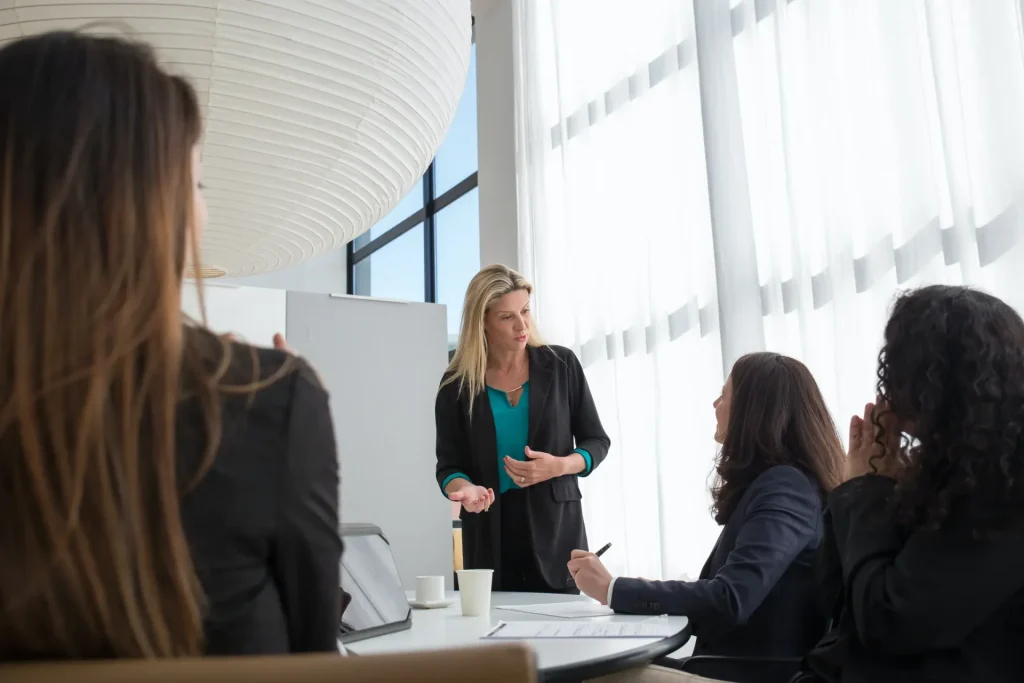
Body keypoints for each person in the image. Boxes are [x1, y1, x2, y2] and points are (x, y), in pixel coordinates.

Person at [0, 32, 342, 659]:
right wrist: (271, 407)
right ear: (144, 213)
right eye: (198, 186)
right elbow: (314, 658)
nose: (203, 214)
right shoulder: (272, 402)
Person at [571, 352, 845, 676]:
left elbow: (730, 599)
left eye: (725, 395)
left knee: (585, 672)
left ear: (754, 411)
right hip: (727, 666)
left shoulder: (786, 487)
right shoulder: (784, 483)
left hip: (746, 675)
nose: (716, 404)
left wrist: (612, 589)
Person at [801, 286, 1024, 683]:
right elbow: (836, 602)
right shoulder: (947, 470)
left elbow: (890, 619)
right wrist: (858, 489)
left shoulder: (1004, 484)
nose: (889, 389)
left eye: (902, 367)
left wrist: (865, 491)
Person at [435, 264, 610, 592]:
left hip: (558, 528)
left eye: (525, 311)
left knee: (566, 634)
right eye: (506, 317)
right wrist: (466, 489)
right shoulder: (456, 384)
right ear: (482, 321)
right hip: (490, 530)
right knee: (496, 633)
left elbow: (597, 441)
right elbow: (449, 465)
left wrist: (559, 466)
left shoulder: (562, 365)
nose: (521, 325)